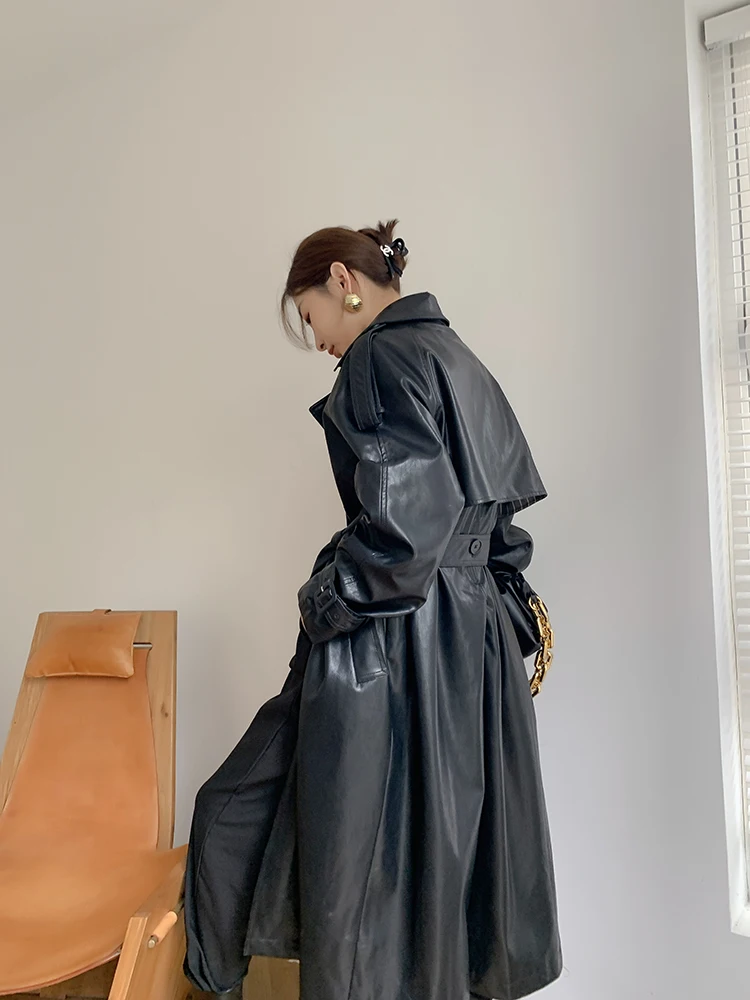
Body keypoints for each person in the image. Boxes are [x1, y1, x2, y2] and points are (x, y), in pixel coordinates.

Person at [182, 220, 563, 1000]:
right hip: (471, 653)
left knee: (339, 856)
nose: (318, 340)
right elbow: (502, 537)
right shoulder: (457, 356)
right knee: (439, 869)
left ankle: (211, 980)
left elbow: (404, 530)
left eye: (310, 316)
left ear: (341, 281)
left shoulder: (379, 358)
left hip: (394, 651)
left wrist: (323, 601)